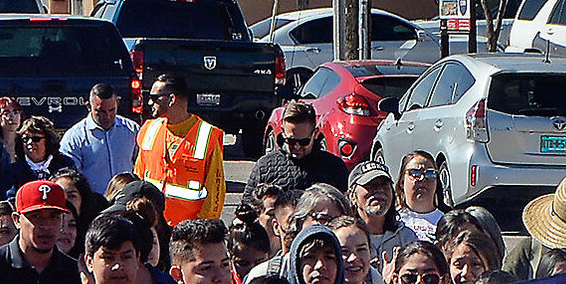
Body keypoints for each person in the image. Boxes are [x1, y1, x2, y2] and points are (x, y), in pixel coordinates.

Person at [134, 72, 226, 225]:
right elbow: (138, 177)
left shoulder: (206, 136)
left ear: (171, 99)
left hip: (187, 232)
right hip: (152, 225)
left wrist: (202, 231)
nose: (150, 103)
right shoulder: (149, 129)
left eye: (155, 98)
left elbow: (214, 193)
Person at [245, 99, 349, 199]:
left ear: (315, 133)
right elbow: (246, 208)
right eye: (291, 141)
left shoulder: (334, 168)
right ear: (283, 132)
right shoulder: (265, 166)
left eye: (304, 141)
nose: (297, 147)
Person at [57, 82, 139, 197]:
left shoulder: (132, 130)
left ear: (118, 104)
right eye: (100, 111)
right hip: (94, 205)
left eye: (112, 110)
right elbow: (71, 179)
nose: (107, 116)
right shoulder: (74, 137)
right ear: (89, 107)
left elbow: (140, 165)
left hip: (127, 201)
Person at [346, 159, 402, 258]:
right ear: (352, 196)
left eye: (384, 185)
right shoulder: (344, 237)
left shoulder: (405, 236)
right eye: (370, 185)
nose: (380, 190)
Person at [393, 149, 444, 235]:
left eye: (430, 173)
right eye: (414, 173)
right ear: (402, 182)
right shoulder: (392, 220)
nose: (422, 178)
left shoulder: (446, 222)